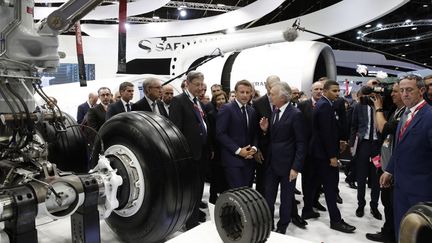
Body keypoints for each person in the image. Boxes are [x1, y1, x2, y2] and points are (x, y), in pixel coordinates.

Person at [380, 75, 432, 240]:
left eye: (409, 90)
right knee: (402, 231)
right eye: (402, 90)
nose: (404, 94)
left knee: (419, 235)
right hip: (400, 187)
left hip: (422, 190)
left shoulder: (429, 116)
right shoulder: (405, 114)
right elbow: (400, 148)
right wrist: (389, 170)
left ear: (421, 90)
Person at [308, 80, 356, 233]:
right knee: (330, 187)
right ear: (325, 91)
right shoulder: (324, 106)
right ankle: (335, 220)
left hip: (320, 153)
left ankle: (307, 210)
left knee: (315, 183)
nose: (337, 94)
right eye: (334, 91)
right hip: (324, 155)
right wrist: (332, 157)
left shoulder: (325, 104)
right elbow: (326, 134)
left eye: (338, 91)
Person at [259, 82, 306, 234]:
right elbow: (276, 137)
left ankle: (282, 226)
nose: (270, 96)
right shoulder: (275, 111)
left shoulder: (295, 114)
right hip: (272, 163)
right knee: (268, 197)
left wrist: (296, 167)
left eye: (272, 94)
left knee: (286, 199)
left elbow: (301, 143)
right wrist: (266, 130)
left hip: (288, 166)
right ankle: (268, 223)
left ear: (282, 97)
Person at [169, 71, 209, 230]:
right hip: (189, 156)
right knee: (191, 191)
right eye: (197, 84)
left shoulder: (197, 102)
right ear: (188, 83)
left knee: (199, 188)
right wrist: (182, 154)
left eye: (202, 84)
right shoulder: (178, 102)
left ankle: (194, 217)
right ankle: (190, 223)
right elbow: (175, 131)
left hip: (201, 154)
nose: (200, 88)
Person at [365, 82, 404, 243]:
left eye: (396, 92)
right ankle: (388, 232)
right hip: (387, 162)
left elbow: (383, 128)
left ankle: (392, 235)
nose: (392, 94)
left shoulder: (404, 112)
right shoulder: (397, 109)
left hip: (395, 167)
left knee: (392, 203)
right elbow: (365, 92)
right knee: (387, 202)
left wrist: (378, 107)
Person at [349, 79, 382, 220]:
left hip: (377, 145)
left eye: (373, 88)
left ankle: (374, 206)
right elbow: (354, 126)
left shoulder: (381, 105)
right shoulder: (359, 106)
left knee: (376, 176)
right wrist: (351, 144)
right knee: (361, 176)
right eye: (368, 88)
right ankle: (360, 204)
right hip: (363, 144)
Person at [216, 79, 258, 189]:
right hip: (232, 161)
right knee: (238, 195)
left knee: (247, 193)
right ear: (235, 93)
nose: (245, 95)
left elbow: (254, 133)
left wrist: (254, 148)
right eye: (242, 92)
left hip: (249, 161)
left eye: (247, 92)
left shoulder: (251, 111)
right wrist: (239, 151)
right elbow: (220, 134)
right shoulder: (226, 109)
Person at [299, 81, 327, 215]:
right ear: (311, 91)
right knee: (307, 179)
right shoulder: (303, 105)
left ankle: (315, 201)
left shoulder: (327, 105)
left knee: (319, 178)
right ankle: (307, 206)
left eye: (321, 89)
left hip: (322, 151)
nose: (319, 91)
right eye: (316, 89)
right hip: (307, 151)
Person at [252, 75, 280, 196]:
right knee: (262, 181)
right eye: (272, 85)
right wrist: (256, 148)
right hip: (263, 149)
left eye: (277, 85)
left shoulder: (283, 101)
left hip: (280, 150)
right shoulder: (257, 103)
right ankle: (261, 209)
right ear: (266, 86)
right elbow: (253, 129)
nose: (274, 88)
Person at [206, 90, 229, 204]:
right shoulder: (211, 114)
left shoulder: (229, 112)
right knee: (216, 177)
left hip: (228, 149)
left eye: (223, 99)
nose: (221, 101)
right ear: (214, 101)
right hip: (216, 151)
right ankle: (213, 200)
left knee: (226, 177)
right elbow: (210, 134)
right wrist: (212, 149)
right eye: (218, 99)